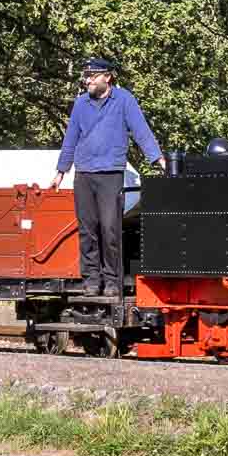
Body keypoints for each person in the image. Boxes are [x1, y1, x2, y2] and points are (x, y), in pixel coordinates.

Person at [51, 54, 163, 297]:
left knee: (110, 229)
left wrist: (158, 159)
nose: (87, 80)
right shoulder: (81, 103)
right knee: (87, 229)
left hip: (111, 173)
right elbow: (70, 138)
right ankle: (91, 280)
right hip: (84, 173)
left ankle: (112, 281)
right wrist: (61, 170)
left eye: (92, 76)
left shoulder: (124, 100)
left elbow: (141, 131)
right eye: (86, 76)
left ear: (107, 77)